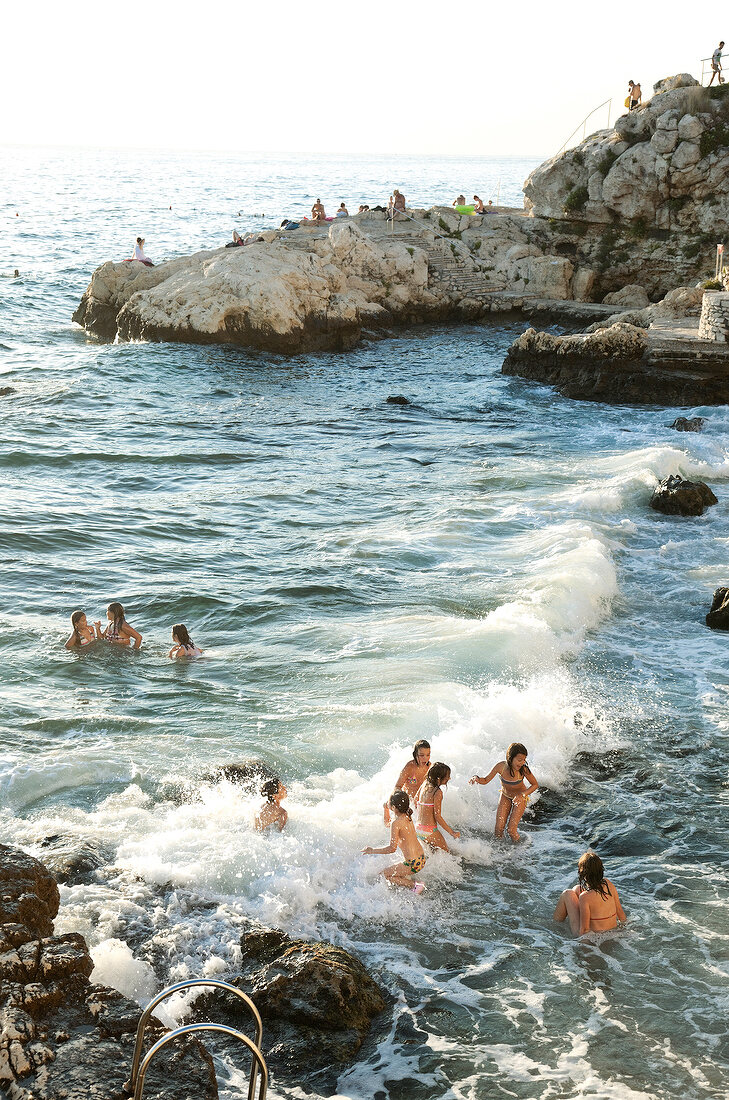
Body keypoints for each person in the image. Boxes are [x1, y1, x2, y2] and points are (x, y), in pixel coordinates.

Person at [469, 741, 539, 842]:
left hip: (520, 798)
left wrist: (522, 795)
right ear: (510, 758)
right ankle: (501, 853)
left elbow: (535, 784)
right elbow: (485, 780)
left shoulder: (523, 770)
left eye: (524, 759)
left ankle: (520, 851)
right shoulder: (501, 767)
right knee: (498, 829)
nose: (522, 762)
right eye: (519, 760)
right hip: (505, 796)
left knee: (511, 830)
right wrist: (476, 778)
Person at [363, 790, 426, 893]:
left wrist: (372, 850)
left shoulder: (396, 823)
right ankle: (407, 878)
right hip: (421, 858)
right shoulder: (406, 815)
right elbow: (388, 823)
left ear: (394, 808)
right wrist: (386, 809)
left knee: (384, 875)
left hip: (413, 863)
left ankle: (415, 885)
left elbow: (392, 848)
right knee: (392, 871)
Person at [554, 851, 626, 936]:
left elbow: (584, 930)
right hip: (611, 931)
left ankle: (555, 925)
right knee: (577, 889)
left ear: (583, 873)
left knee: (568, 893)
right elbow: (621, 915)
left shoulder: (585, 897)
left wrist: (582, 945)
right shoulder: (608, 884)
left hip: (593, 936)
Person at [383, 739, 431, 824]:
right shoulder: (410, 767)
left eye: (428, 755)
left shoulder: (430, 767)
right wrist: (396, 802)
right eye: (421, 755)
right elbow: (398, 786)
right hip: (408, 803)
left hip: (420, 803)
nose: (425, 758)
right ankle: (386, 807)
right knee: (395, 825)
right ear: (415, 754)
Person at [415, 763, 460, 853]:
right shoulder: (438, 792)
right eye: (447, 776)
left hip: (418, 828)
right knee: (446, 854)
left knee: (434, 854)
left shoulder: (424, 784)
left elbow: (416, 799)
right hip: (430, 830)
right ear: (439, 778)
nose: (449, 778)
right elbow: (437, 816)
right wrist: (452, 832)